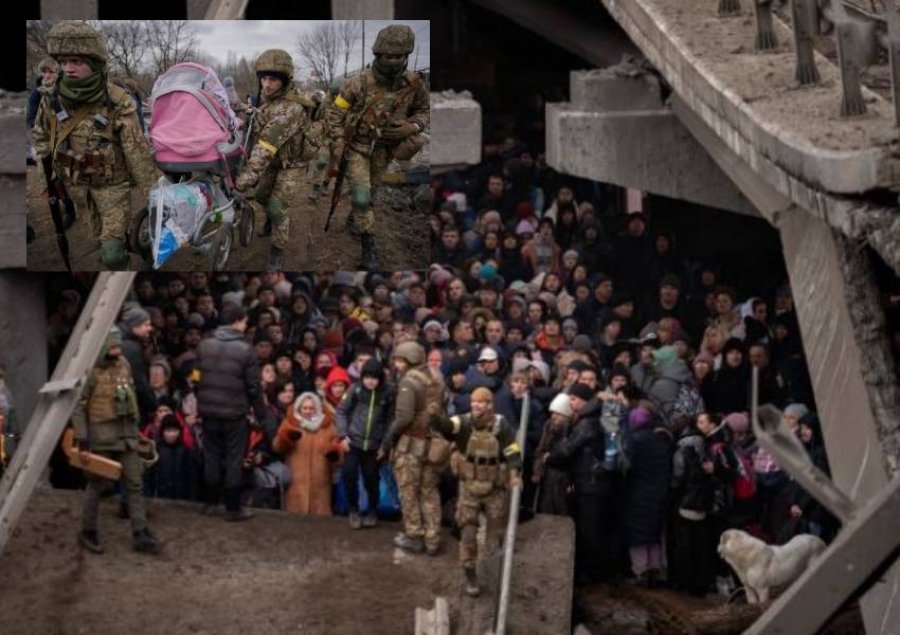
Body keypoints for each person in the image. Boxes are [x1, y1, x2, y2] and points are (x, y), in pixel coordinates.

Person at [31, 21, 158, 270]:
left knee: (111, 255)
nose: (68, 69)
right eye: (63, 61)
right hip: (77, 186)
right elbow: (41, 138)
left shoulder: (118, 102)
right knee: (99, 238)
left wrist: (155, 193)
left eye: (77, 61)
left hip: (113, 188)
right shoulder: (51, 98)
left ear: (96, 62)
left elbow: (136, 152)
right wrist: (46, 182)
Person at [325, 24, 430, 270]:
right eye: (387, 57)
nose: (392, 61)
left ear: (407, 56)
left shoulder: (413, 84)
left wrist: (412, 127)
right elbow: (334, 114)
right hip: (358, 149)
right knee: (362, 197)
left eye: (398, 57)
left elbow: (424, 111)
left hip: (386, 151)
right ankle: (368, 245)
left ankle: (356, 218)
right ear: (378, 55)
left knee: (370, 194)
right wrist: (339, 143)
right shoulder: (356, 83)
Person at [72, 327, 162, 555]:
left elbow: (130, 397)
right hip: (101, 438)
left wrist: (136, 431)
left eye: (118, 345)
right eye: (112, 346)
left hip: (127, 436)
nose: (117, 350)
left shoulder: (124, 364)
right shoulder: (90, 372)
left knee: (135, 482)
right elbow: (79, 407)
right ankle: (88, 530)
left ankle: (140, 531)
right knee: (97, 485)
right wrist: (83, 439)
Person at [430, 387, 522, 597]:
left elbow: (511, 449)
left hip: (495, 488)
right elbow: (445, 428)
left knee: (496, 534)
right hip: (469, 487)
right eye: (474, 402)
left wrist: (515, 471)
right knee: (468, 534)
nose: (477, 406)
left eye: (481, 402)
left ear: (490, 405)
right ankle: (470, 573)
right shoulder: (462, 422)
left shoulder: (501, 425)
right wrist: (436, 415)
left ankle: (495, 570)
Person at [235, 49, 311, 271]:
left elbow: (266, 147)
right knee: (261, 196)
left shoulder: (292, 109)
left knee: (277, 206)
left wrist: (244, 180)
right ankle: (271, 220)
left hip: (291, 164)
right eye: (264, 78)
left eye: (273, 79)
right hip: (274, 162)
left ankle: (277, 250)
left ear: (285, 80)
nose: (267, 84)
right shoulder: (270, 102)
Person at [194, 303, 266, 521]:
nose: (246, 326)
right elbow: (254, 388)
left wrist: (202, 398)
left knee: (212, 456)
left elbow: (195, 378)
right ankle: (232, 508)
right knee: (234, 459)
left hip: (208, 411)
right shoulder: (246, 350)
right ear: (237, 321)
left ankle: (210, 503)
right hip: (234, 413)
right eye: (245, 322)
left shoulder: (204, 346)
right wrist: (261, 415)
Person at [385, 340, 445, 556]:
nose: (396, 365)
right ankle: (432, 538)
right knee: (429, 491)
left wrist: (388, 439)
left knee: (408, 490)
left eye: (399, 361)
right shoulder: (435, 377)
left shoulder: (409, 383)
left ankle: (414, 535)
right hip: (433, 444)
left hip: (411, 445)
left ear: (408, 360)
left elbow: (403, 418)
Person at [336, 357, 392, 528]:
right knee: (349, 475)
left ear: (380, 378)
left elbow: (391, 420)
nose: (370, 381)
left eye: (374, 378)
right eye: (367, 377)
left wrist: (385, 445)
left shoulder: (388, 393)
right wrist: (342, 435)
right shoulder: (356, 390)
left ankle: (373, 511)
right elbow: (341, 411)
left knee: (371, 479)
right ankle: (353, 510)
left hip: (374, 446)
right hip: (353, 442)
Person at [273, 391, 342, 515]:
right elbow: (277, 447)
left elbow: (338, 448)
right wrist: (286, 439)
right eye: (304, 408)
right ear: (299, 408)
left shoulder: (328, 426)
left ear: (317, 408)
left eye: (311, 408)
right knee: (294, 521)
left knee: (321, 524)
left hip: (321, 481)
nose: (308, 411)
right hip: (295, 482)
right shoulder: (289, 423)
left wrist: (335, 452)